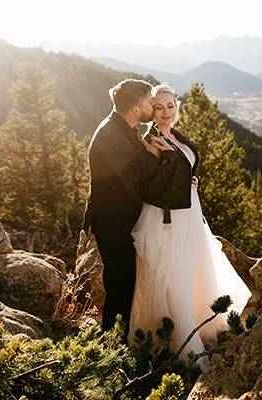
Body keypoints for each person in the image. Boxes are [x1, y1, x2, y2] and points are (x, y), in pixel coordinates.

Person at [128, 84, 252, 369]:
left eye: (170, 106)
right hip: (165, 219)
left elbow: (181, 169)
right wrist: (176, 174)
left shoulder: (177, 136)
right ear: (151, 111)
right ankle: (178, 346)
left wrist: (188, 180)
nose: (165, 112)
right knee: (172, 275)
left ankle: (198, 324)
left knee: (192, 270)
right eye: (158, 107)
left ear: (177, 106)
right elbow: (150, 187)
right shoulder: (152, 140)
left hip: (189, 214)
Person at [82, 79, 177, 342]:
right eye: (149, 102)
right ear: (136, 108)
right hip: (113, 222)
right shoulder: (111, 136)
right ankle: (112, 344)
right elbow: (131, 178)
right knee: (119, 284)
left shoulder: (126, 127)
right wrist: (152, 156)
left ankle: (119, 338)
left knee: (125, 281)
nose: (153, 106)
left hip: (122, 218)